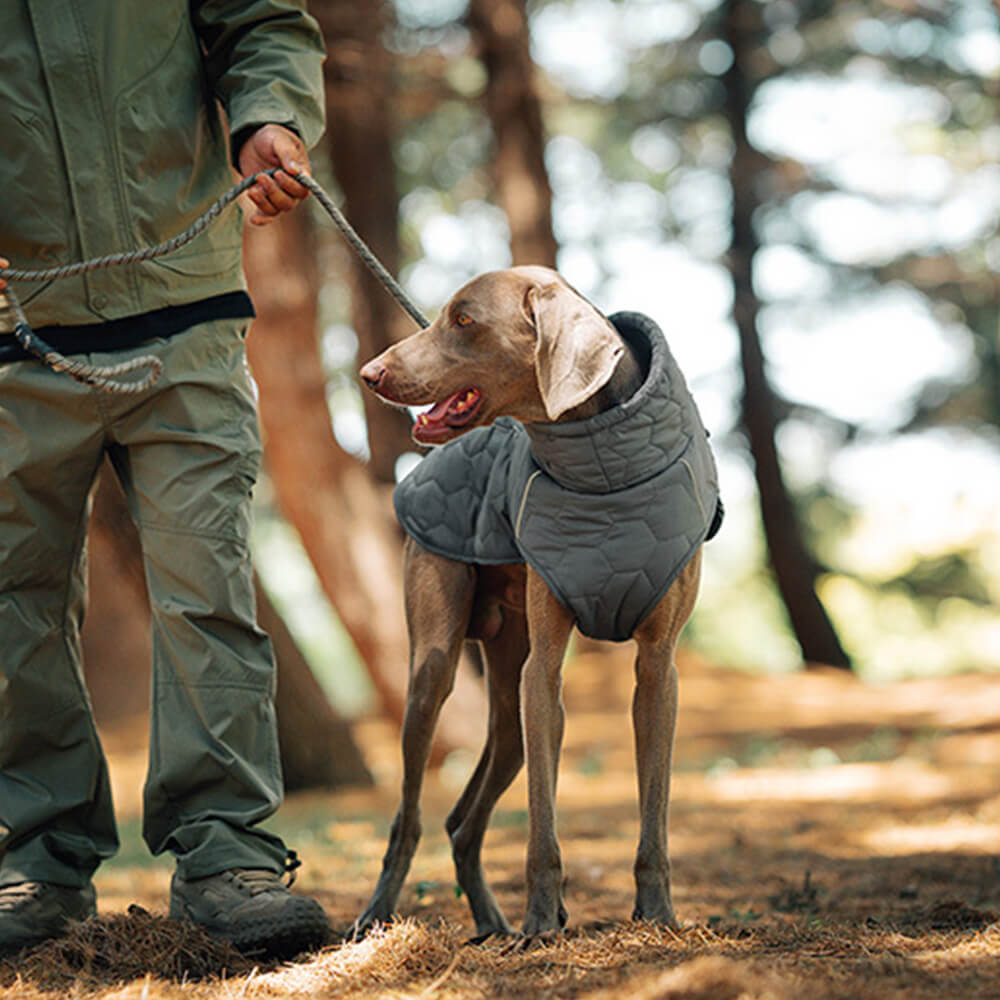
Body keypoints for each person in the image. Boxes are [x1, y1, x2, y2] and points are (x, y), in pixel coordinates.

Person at [0, 0, 330, 958]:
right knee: (11, 606)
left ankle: (228, 855)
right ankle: (36, 863)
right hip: (13, 331)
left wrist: (271, 113)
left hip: (183, 307)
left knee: (207, 588)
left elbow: (262, 17)